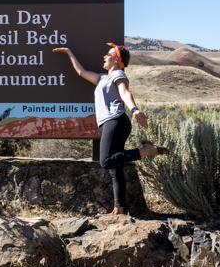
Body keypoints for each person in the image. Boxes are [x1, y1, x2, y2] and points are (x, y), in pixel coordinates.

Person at [52, 43, 167, 215]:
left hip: (116, 120)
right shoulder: (102, 78)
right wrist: (69, 53)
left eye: (108, 54)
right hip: (110, 123)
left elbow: (124, 93)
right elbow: (81, 72)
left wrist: (134, 109)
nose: (104, 57)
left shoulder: (119, 74)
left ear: (116, 60)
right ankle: (119, 208)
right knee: (115, 167)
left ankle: (145, 151)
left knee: (105, 161)